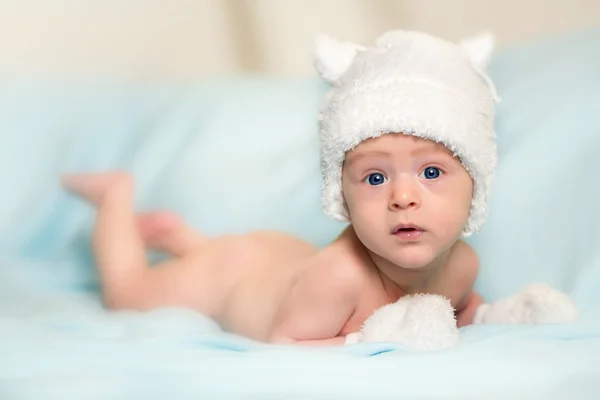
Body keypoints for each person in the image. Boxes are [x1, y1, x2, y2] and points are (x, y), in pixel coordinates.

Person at [61, 29, 500, 346]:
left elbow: (453, 310)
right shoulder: (338, 276)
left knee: (276, 276)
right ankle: (115, 196)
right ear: (342, 196)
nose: (403, 197)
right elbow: (285, 343)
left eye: (431, 173)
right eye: (375, 177)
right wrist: (375, 339)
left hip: (286, 261)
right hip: (231, 273)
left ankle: (185, 242)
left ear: (474, 185)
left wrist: (483, 314)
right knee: (126, 295)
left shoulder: (462, 264)